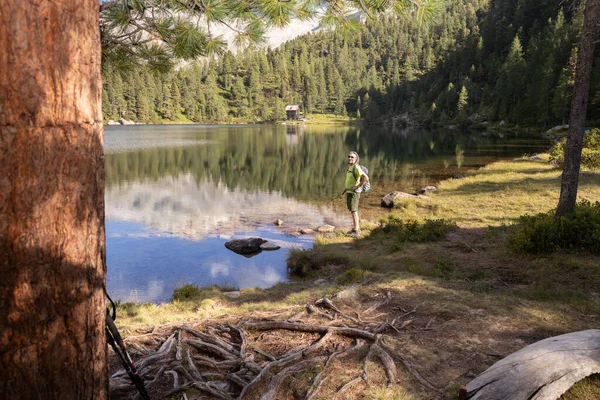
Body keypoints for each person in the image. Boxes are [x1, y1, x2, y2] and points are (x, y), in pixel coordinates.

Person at [344, 151, 368, 237]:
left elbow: (366, 178)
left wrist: (357, 187)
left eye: (352, 157)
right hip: (349, 192)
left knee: (354, 211)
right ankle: (355, 228)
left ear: (356, 159)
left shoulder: (356, 167)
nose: (350, 158)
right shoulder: (350, 167)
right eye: (349, 156)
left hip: (354, 193)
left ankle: (356, 231)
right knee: (352, 210)